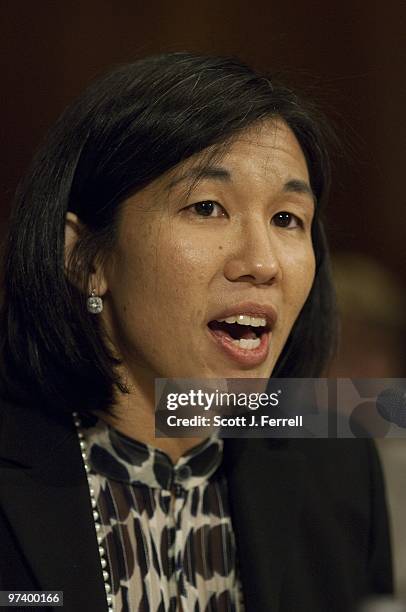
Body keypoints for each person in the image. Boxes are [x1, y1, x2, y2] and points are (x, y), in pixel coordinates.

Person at [0, 52, 392, 612]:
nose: (262, 262)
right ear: (86, 259)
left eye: (287, 219)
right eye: (207, 207)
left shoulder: (338, 471)